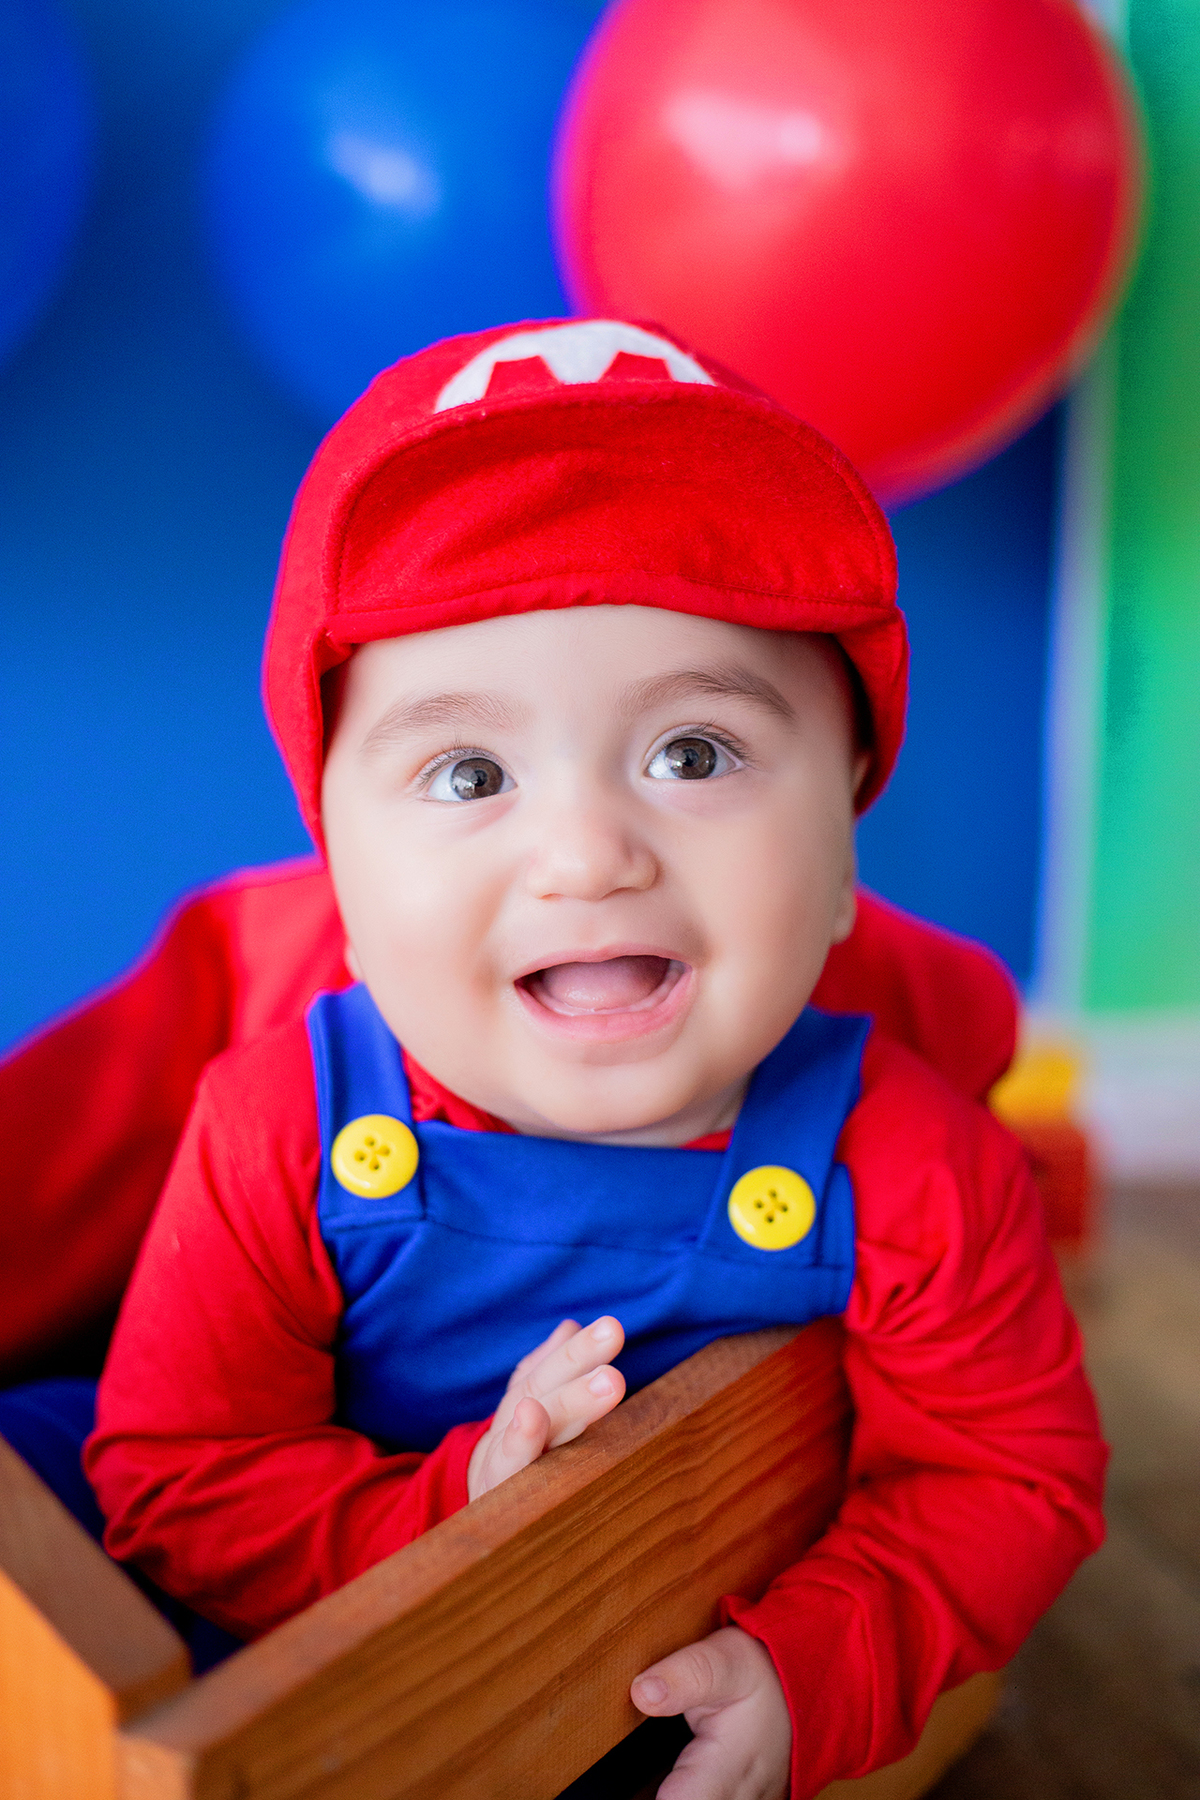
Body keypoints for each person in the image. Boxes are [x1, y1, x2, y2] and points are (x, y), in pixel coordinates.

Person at [33, 319, 1110, 1799]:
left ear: (848, 850)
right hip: (253, 1624)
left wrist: (818, 1664)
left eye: (696, 754)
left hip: (590, 1687)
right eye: (469, 774)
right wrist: (453, 1508)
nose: (592, 853)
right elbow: (179, 1479)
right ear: (340, 878)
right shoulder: (277, 1125)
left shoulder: (913, 1162)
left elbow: (1005, 1475)